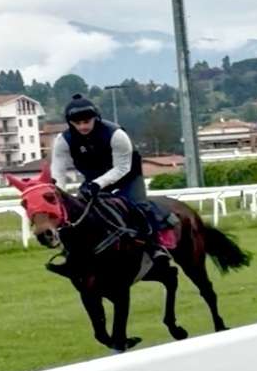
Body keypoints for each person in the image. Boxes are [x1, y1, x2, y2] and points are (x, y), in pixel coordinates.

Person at [51, 94, 178, 262]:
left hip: (127, 176)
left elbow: (122, 167)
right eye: (77, 123)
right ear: (70, 123)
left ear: (95, 118)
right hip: (93, 179)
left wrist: (98, 184)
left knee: (139, 207)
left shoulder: (116, 135)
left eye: (87, 122)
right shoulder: (63, 140)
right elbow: (58, 171)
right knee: (77, 212)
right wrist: (58, 193)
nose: (82, 127)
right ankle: (73, 253)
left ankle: (155, 247)